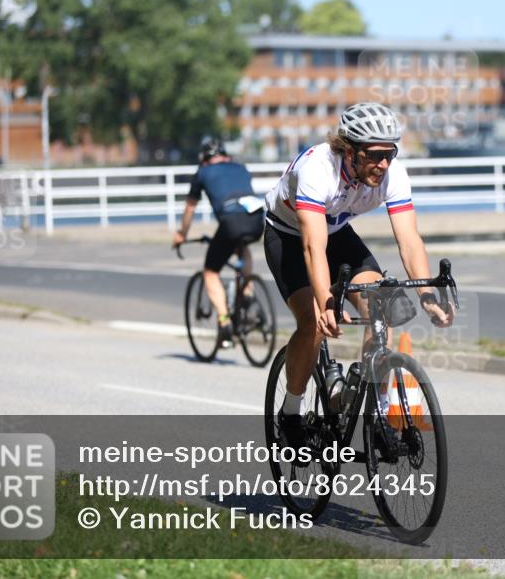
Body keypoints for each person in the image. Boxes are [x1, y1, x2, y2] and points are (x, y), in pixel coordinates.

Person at [263, 102, 455, 449]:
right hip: (290, 237)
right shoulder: (317, 169)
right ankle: (291, 411)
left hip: (337, 233)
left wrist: (427, 295)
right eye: (374, 155)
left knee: (382, 310)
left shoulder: (392, 174)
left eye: (390, 154)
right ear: (348, 150)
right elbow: (312, 248)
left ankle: (375, 413)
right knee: (311, 322)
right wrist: (326, 302)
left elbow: (409, 240)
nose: (383, 164)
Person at [173, 137, 264, 345]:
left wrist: (181, 234)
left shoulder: (203, 172)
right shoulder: (241, 168)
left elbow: (190, 208)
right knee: (242, 247)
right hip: (257, 218)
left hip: (231, 223)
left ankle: (223, 322)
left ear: (204, 159)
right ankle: (247, 291)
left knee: (211, 272)